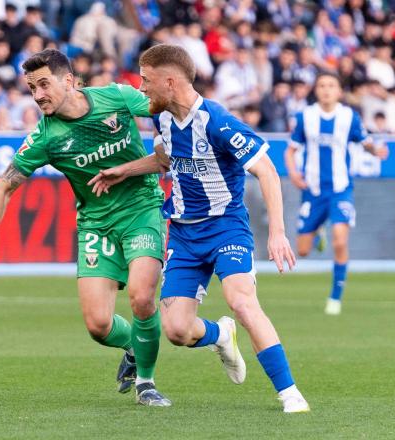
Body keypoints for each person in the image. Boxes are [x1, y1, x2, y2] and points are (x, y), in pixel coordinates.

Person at [88, 44, 310, 413]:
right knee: (176, 330)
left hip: (226, 228)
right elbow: (164, 158)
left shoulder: (218, 122)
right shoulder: (162, 118)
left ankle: (290, 393)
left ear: (170, 82)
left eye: (146, 80)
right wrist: (123, 171)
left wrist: (277, 232)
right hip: (185, 235)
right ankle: (220, 334)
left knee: (242, 301)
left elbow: (267, 170)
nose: (140, 88)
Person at [0, 49, 171, 407]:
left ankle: (146, 382)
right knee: (98, 325)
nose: (38, 95)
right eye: (32, 88)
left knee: (142, 297)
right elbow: (4, 185)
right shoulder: (46, 137)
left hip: (142, 208)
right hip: (96, 222)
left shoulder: (117, 97)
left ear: (69, 80)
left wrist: (165, 146)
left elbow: (167, 107)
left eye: (44, 84)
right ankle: (132, 346)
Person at [284, 72, 389, 315]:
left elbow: (366, 142)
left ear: (339, 91)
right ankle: (318, 228)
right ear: (316, 90)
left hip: (341, 190)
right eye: (322, 85)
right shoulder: (306, 117)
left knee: (340, 241)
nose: (326, 89)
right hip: (313, 191)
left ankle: (335, 298)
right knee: (302, 250)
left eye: (331, 85)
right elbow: (290, 151)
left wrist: (377, 152)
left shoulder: (348, 117)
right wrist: (293, 173)